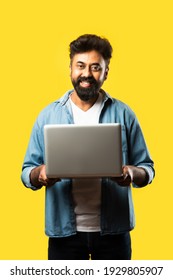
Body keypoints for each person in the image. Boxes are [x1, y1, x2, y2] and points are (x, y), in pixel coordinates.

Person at [21, 34, 155, 260]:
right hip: (64, 235)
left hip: (114, 233)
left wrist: (132, 173)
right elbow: (27, 172)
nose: (86, 74)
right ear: (71, 69)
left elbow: (148, 169)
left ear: (105, 72)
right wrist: (39, 174)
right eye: (80, 66)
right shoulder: (48, 115)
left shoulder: (124, 114)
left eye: (95, 67)